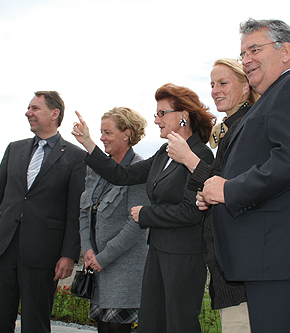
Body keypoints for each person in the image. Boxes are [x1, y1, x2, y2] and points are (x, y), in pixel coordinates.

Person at [197, 19, 290, 332]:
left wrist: (229, 190)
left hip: (288, 259)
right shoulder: (267, 102)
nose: (246, 59)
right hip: (272, 262)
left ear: (284, 51)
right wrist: (214, 190)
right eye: (242, 53)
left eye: (254, 49)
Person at [72, 83, 216, 333]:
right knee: (152, 325)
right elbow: (121, 175)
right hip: (157, 253)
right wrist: (88, 143)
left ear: (183, 116)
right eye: (156, 113)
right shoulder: (164, 153)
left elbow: (191, 211)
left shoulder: (200, 154)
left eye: (162, 113)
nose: (156, 120)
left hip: (184, 258)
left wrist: (145, 214)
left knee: (179, 325)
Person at [0, 91, 86, 333]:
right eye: (28, 108)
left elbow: (75, 211)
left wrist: (69, 254)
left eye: (35, 108)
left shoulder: (77, 157)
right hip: (1, 248)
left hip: (42, 254)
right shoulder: (14, 149)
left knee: (35, 323)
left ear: (54, 113)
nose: (28, 113)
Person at [166, 58, 259, 333]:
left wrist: (189, 159)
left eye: (223, 83)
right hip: (227, 269)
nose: (215, 90)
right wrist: (207, 196)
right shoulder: (231, 128)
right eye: (211, 84)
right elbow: (224, 186)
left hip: (238, 269)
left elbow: (239, 188)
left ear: (245, 86)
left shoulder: (248, 126)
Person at [79, 107, 150, 333]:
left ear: (127, 134)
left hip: (123, 270)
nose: (102, 138)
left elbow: (137, 224)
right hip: (97, 266)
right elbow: (84, 211)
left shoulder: (139, 169)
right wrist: (87, 249)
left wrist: (104, 257)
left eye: (108, 133)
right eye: (101, 132)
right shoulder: (96, 168)